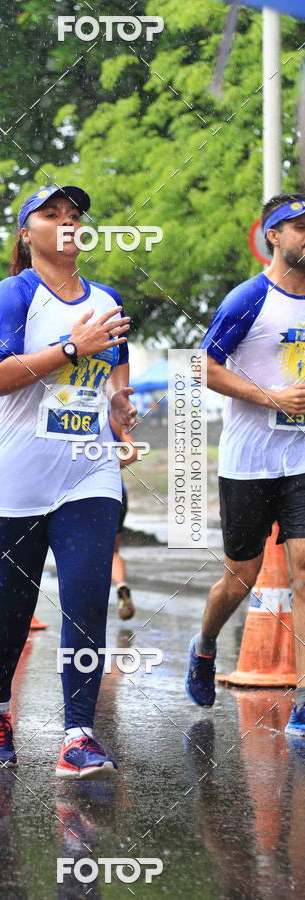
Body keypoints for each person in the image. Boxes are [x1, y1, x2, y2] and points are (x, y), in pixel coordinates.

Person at [0, 185, 134, 778]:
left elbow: (117, 365)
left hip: (89, 469)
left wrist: (120, 405)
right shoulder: (13, 295)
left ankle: (78, 734)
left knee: (87, 598)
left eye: (74, 217)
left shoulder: (107, 297)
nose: (66, 224)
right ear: (26, 233)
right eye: (51, 216)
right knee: (13, 606)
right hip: (17, 475)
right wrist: (71, 346)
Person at [185, 193, 305, 738]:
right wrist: (271, 397)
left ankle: (303, 695)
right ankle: (206, 644)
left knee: (304, 571)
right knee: (241, 578)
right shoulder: (249, 298)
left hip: (301, 460)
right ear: (273, 236)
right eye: (298, 227)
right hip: (250, 462)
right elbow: (202, 368)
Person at [109, 413, 138, 620]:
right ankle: (121, 585)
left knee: (82, 552)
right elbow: (133, 452)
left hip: (85, 497)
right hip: (115, 493)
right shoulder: (112, 414)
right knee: (112, 552)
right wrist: (107, 465)